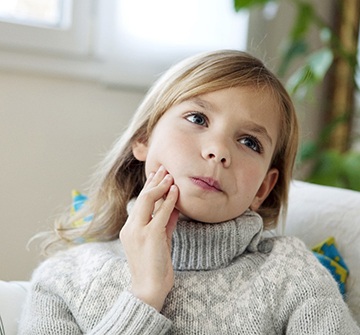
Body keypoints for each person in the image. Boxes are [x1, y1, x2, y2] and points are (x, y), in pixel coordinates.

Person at [19, 50, 359, 334]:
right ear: (144, 138)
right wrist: (145, 296)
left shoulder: (293, 274)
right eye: (197, 119)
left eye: (249, 142)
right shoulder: (63, 279)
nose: (218, 151)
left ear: (263, 188)